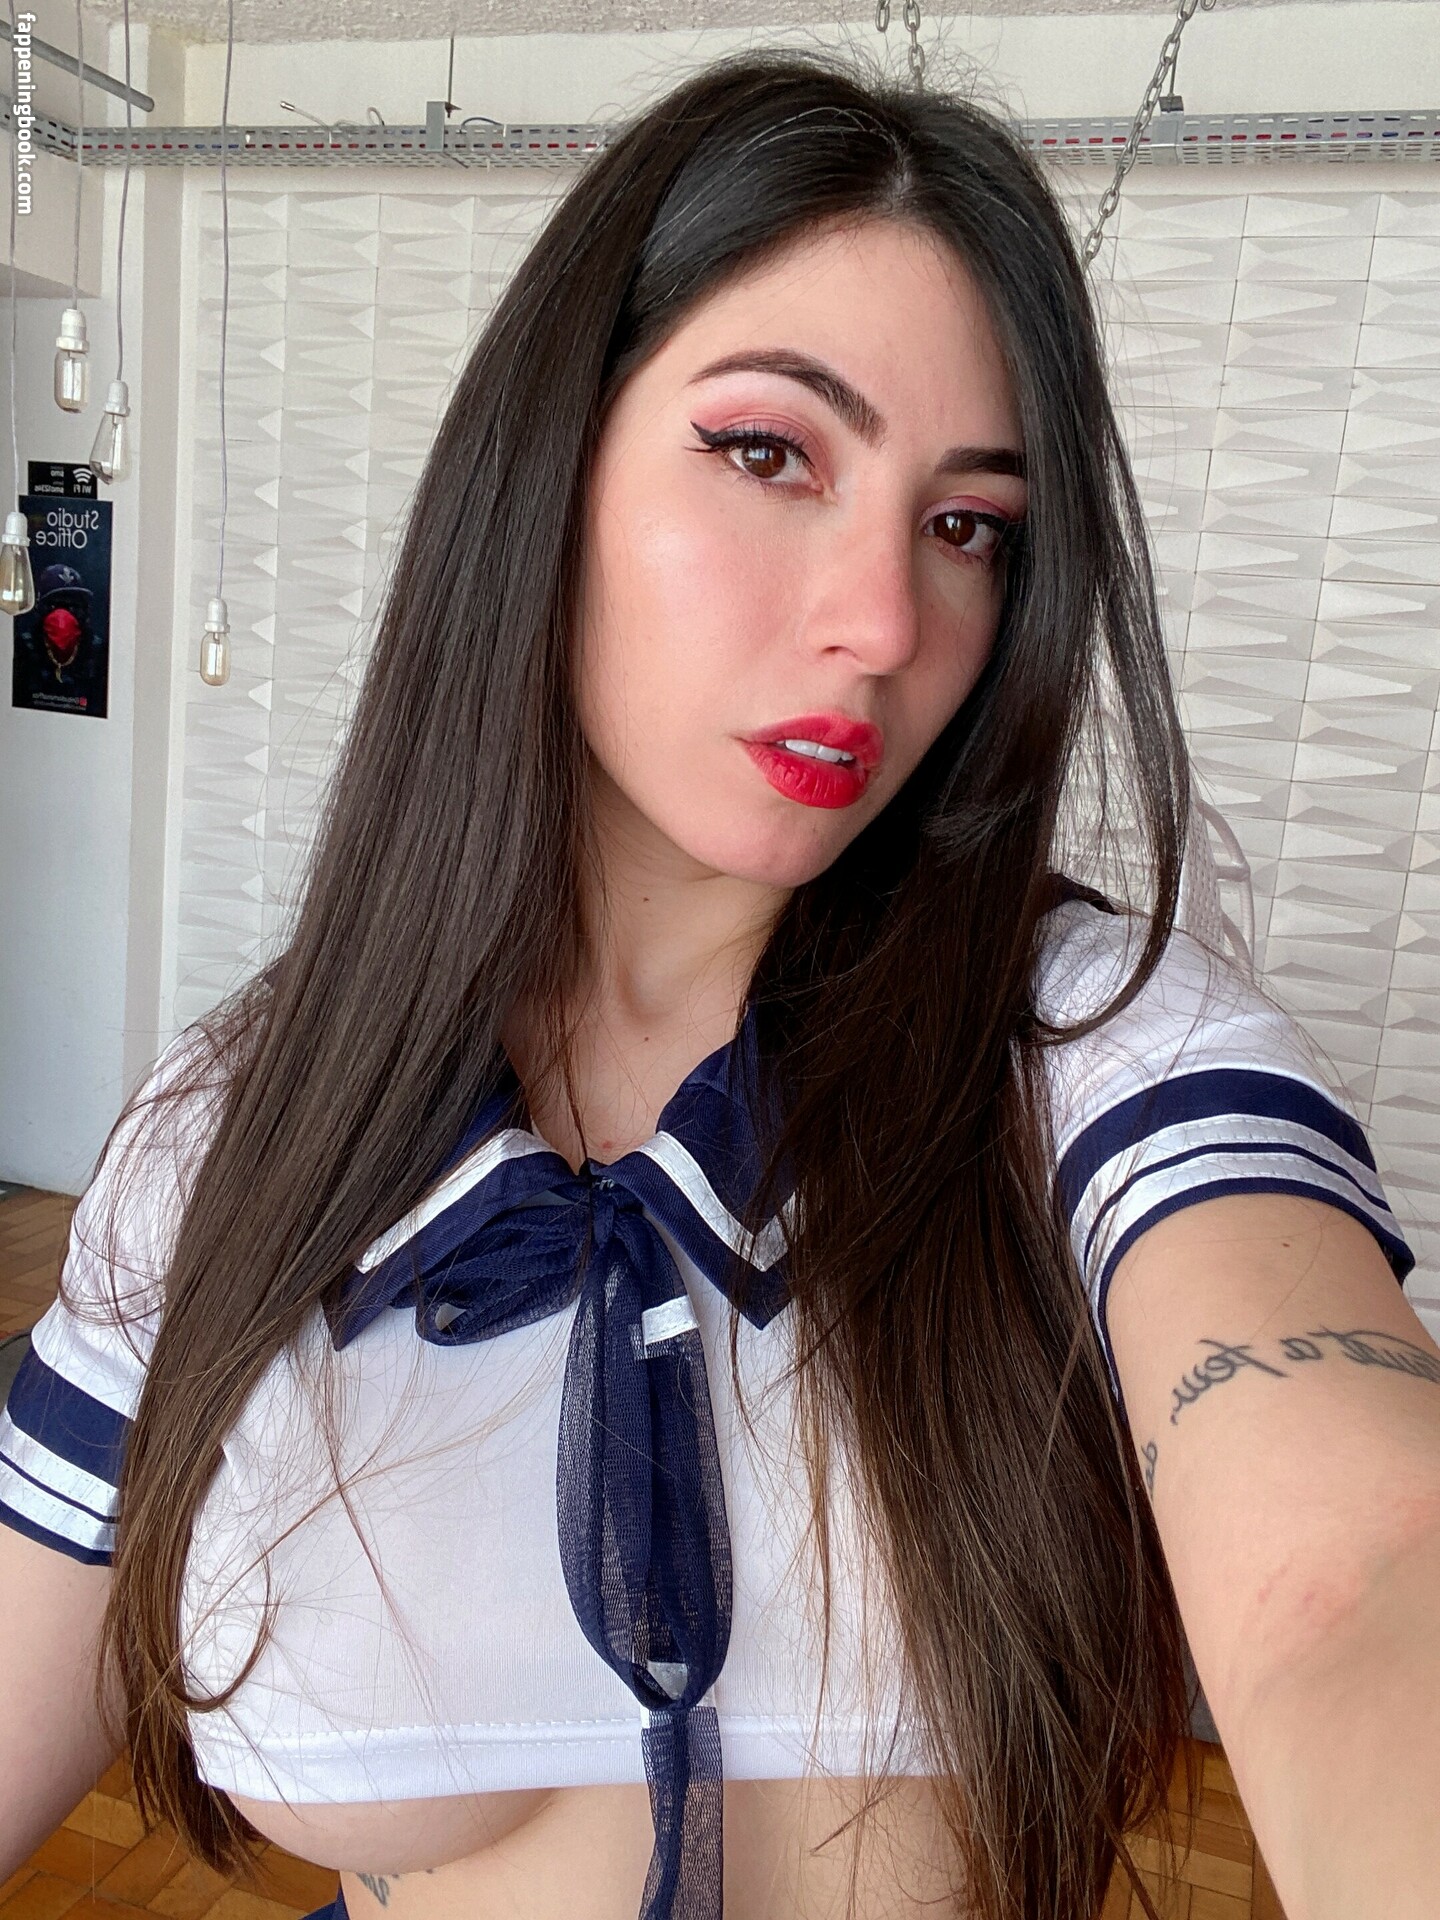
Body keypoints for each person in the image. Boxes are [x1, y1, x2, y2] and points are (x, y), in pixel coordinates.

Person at [2, 47, 1438, 1920]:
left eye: (968, 526)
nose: (885, 622)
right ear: (548, 468)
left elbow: (1356, 1574)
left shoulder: (1101, 1054)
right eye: (771, 454)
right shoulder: (244, 1125)